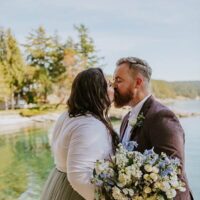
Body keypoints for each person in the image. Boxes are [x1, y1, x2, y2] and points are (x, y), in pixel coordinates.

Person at [113, 57, 193, 200]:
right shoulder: (126, 119)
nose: (113, 86)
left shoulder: (162, 117)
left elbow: (173, 172)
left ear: (138, 82)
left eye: (119, 80)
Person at [40, 68, 119, 200]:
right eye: (109, 85)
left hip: (60, 183)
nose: (114, 88)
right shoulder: (89, 124)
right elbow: (78, 177)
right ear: (97, 92)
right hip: (78, 193)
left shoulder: (69, 115)